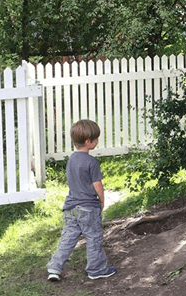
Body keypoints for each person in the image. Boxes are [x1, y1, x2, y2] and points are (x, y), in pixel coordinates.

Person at [47, 119, 117, 282]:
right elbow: (97, 184)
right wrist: (102, 200)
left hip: (71, 207)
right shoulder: (91, 161)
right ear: (88, 141)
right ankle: (96, 269)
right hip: (88, 208)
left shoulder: (71, 159)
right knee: (94, 238)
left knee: (68, 238)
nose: (97, 141)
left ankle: (54, 268)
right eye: (96, 139)